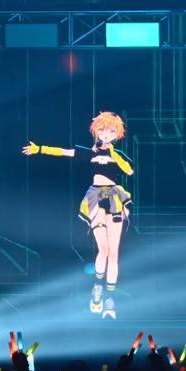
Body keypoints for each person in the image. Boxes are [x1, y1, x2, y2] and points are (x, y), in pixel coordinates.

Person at [22, 111, 134, 319]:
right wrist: (40, 149)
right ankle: (97, 288)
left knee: (113, 253)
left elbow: (129, 170)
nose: (107, 134)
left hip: (114, 198)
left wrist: (112, 153)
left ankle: (110, 298)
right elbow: (64, 152)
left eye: (111, 131)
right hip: (95, 197)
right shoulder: (89, 153)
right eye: (103, 130)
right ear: (96, 131)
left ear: (117, 133)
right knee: (103, 249)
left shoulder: (117, 155)